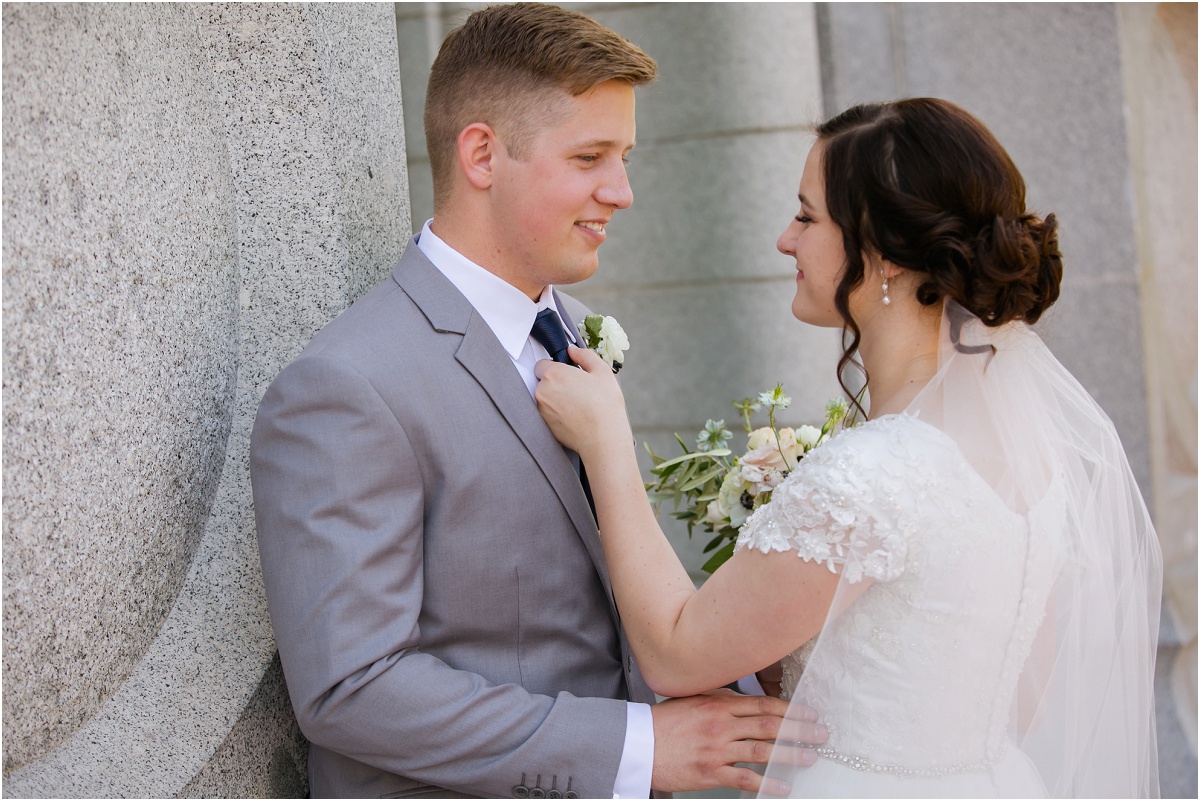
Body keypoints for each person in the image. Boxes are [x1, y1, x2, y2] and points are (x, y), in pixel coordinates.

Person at [250, 4, 821, 798]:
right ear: (482, 154)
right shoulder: (346, 387)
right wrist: (635, 748)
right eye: (590, 156)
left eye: (624, 156)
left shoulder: (575, 334)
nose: (621, 191)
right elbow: (352, 685)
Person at [535, 97, 1163, 797]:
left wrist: (607, 443)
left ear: (885, 254)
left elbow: (677, 655)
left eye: (807, 217)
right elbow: (1025, 700)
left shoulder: (873, 475)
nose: (784, 239)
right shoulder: (1032, 463)